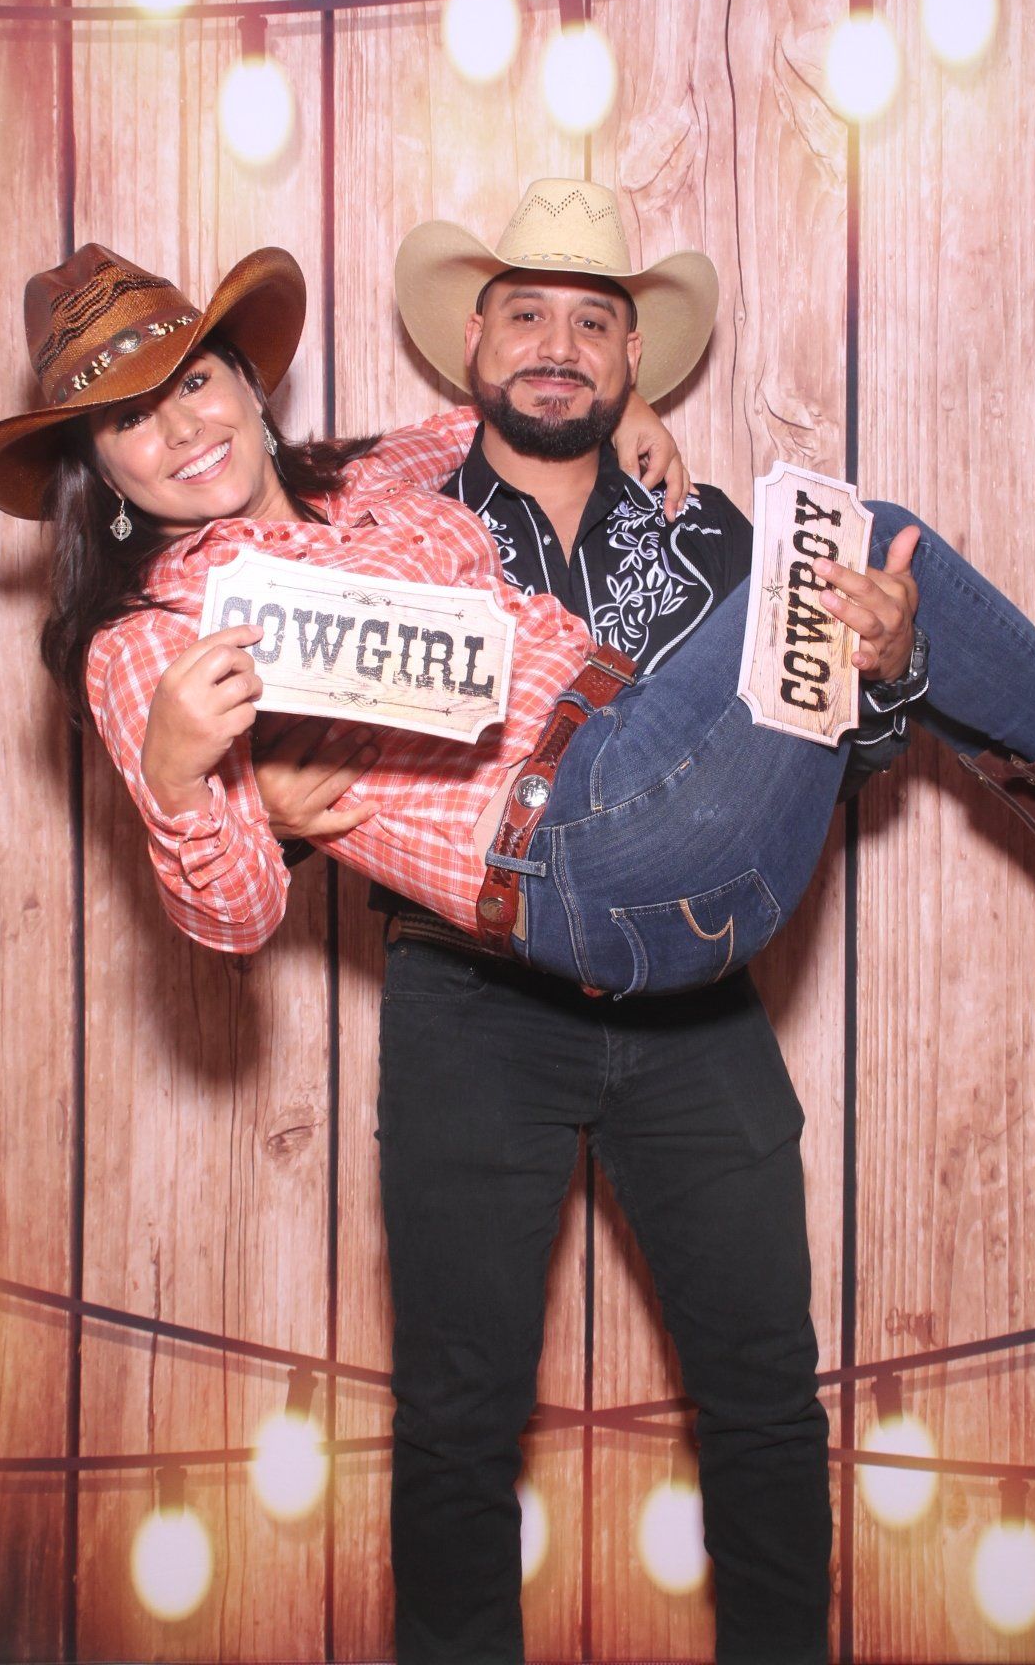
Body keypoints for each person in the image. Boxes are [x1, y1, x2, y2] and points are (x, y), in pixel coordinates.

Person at [0, 219, 1035, 1658]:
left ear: (248, 383)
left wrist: (645, 426)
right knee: (459, 1421)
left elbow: (515, 422)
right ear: (98, 470)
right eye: (131, 419)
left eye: (195, 382)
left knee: (762, 1392)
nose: (183, 429)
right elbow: (232, 915)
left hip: (682, 867)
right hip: (549, 882)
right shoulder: (145, 645)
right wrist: (192, 780)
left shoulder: (389, 476)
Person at [253, 180, 921, 1664]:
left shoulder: (716, 540)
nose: (558, 347)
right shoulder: (382, 526)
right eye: (528, 315)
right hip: (471, 998)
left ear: (632, 363)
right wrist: (270, 807)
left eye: (593, 324)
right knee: (457, 1420)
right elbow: (271, 724)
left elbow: (832, 761)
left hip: (692, 1003)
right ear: (471, 344)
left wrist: (884, 670)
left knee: (764, 1397)